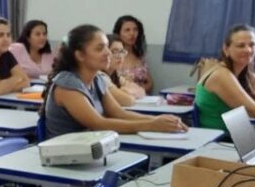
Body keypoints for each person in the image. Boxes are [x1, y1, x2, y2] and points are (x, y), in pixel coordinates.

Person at [44, 25, 187, 138]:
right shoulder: (67, 85)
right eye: (100, 48)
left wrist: (160, 120)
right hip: (68, 153)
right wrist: (152, 125)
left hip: (90, 147)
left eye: (107, 46)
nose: (108, 53)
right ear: (80, 55)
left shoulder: (97, 79)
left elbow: (119, 113)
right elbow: (98, 124)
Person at [112, 15, 154, 93]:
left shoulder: (140, 55)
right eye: (127, 30)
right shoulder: (113, 56)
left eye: (135, 30)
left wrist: (138, 90)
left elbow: (150, 83)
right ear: (118, 33)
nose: (132, 33)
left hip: (142, 97)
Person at [103, 33, 147, 106]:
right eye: (114, 51)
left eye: (122, 52)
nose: (120, 56)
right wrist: (125, 92)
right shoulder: (101, 76)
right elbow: (128, 100)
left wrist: (124, 91)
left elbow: (141, 91)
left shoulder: (116, 76)